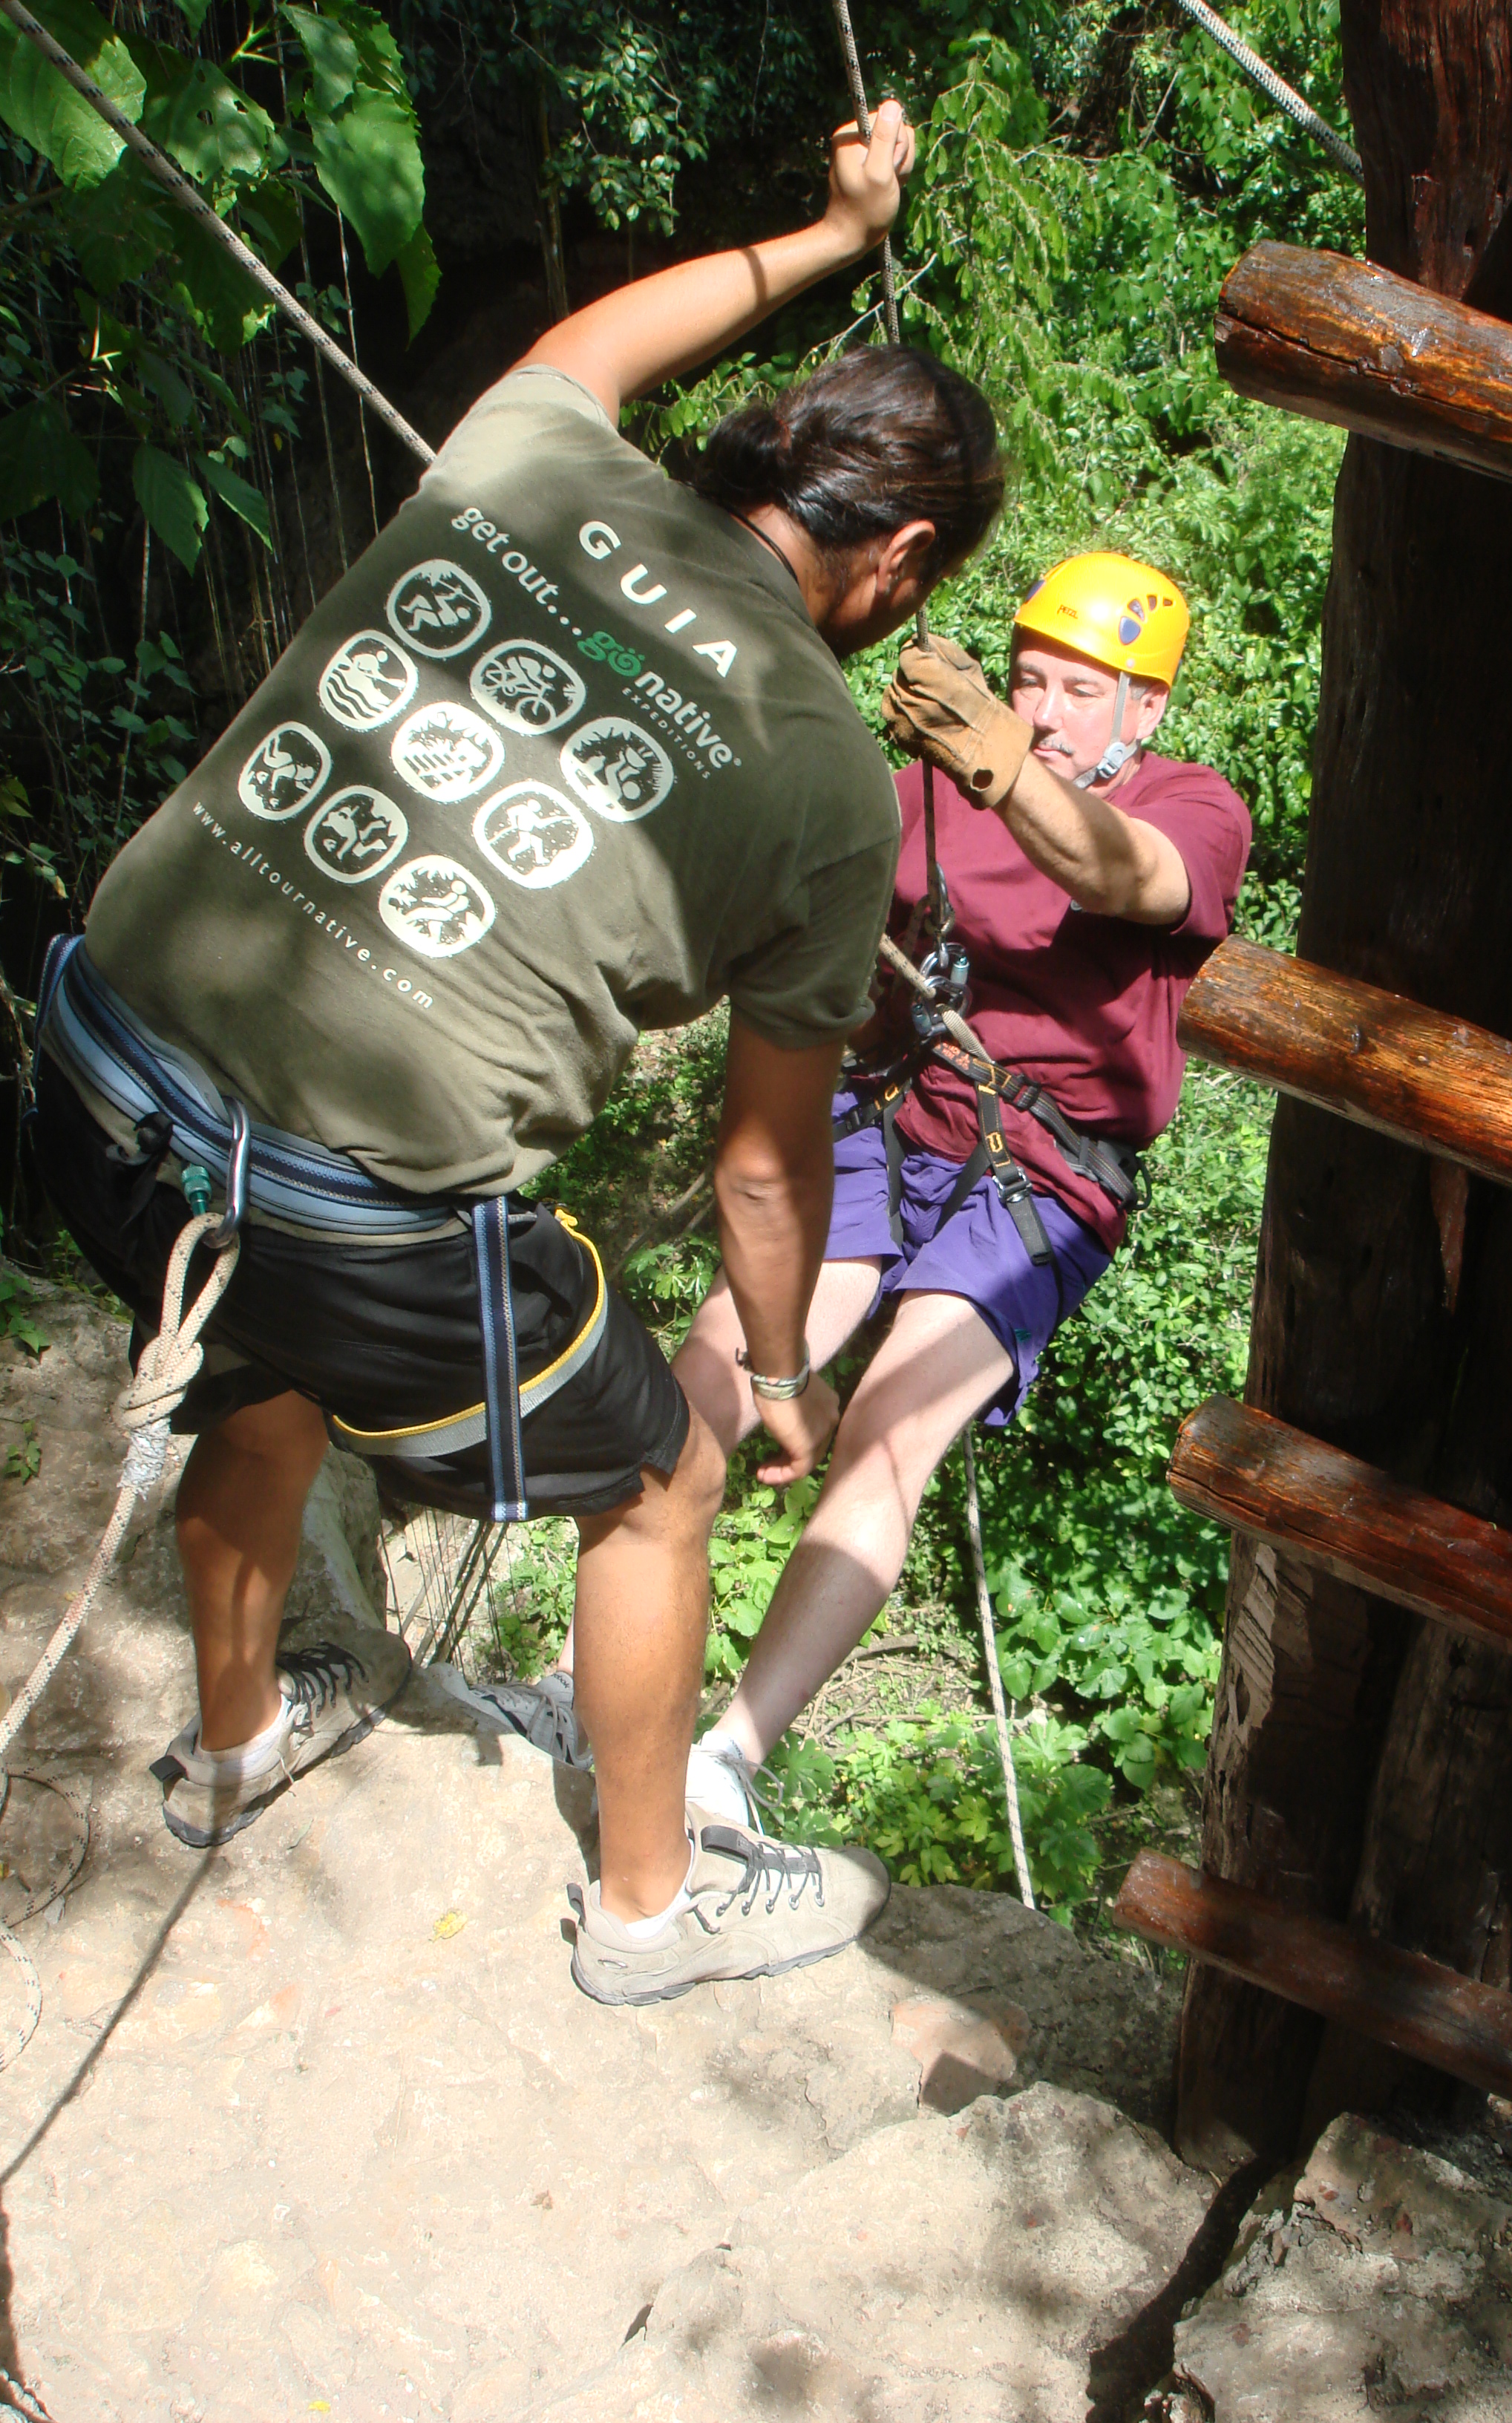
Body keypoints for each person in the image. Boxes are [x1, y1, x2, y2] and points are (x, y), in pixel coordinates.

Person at [28, 101, 1004, 2008]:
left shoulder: (534, 456)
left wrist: (829, 231)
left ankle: (234, 1743)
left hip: (95, 1071)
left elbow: (600, 341)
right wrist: (781, 1377)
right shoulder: (827, 781)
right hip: (343, 1211)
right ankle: (648, 1910)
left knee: (255, 1373)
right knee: (660, 1482)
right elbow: (761, 1170)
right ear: (900, 556)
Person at [474, 553, 1251, 1825]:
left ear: (1145, 706)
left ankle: (727, 1758)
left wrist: (998, 761)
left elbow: (1129, 878)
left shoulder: (1191, 803)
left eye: (1079, 689)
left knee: (892, 1429)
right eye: (1027, 680)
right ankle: (579, 1689)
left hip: (1040, 1174)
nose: (1044, 710)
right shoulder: (923, 792)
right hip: (888, 1115)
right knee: (716, 1369)